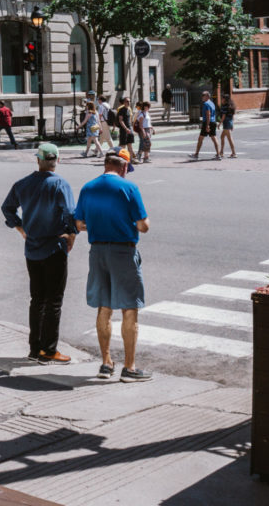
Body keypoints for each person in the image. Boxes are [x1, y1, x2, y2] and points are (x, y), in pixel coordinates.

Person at [74, 151, 151, 382]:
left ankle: (106, 364)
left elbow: (79, 223)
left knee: (104, 307)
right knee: (129, 308)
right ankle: (129, 368)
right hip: (123, 252)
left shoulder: (88, 188)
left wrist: (99, 225)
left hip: (97, 251)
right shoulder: (129, 189)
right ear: (124, 167)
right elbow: (143, 225)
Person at [1, 142, 77, 363]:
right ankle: (49, 350)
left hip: (32, 248)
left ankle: (35, 348)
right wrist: (71, 236)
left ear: (38, 160)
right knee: (54, 301)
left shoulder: (22, 184)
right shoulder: (60, 184)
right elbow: (70, 215)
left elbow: (7, 208)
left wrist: (20, 227)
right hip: (54, 247)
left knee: (37, 300)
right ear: (57, 161)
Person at [190, 90, 220, 160]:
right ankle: (218, 154)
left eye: (203, 95)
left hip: (207, 122)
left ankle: (196, 154)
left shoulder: (206, 104)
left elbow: (208, 114)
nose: (202, 96)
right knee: (214, 138)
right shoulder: (212, 103)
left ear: (207, 96)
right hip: (213, 122)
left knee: (200, 138)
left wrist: (207, 125)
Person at [116, 96, 136, 162]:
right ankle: (120, 159)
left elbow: (130, 119)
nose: (129, 102)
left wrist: (131, 128)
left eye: (129, 101)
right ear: (124, 102)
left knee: (130, 144)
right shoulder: (122, 110)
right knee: (123, 145)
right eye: (127, 101)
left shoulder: (128, 109)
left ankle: (130, 159)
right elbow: (120, 120)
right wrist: (126, 128)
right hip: (124, 130)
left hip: (129, 129)